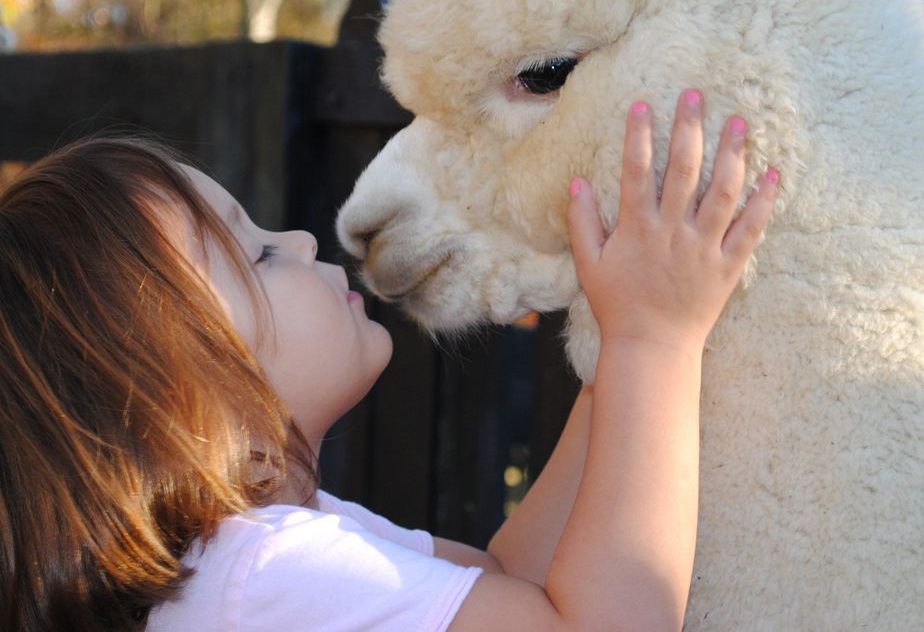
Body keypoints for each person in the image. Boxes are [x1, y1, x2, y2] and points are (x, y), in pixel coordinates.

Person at [0, 89, 778, 632]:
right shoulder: (264, 574)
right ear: (171, 395)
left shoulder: (274, 546)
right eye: (261, 254)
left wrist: (616, 349)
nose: (303, 241)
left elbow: (509, 585)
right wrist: (655, 340)